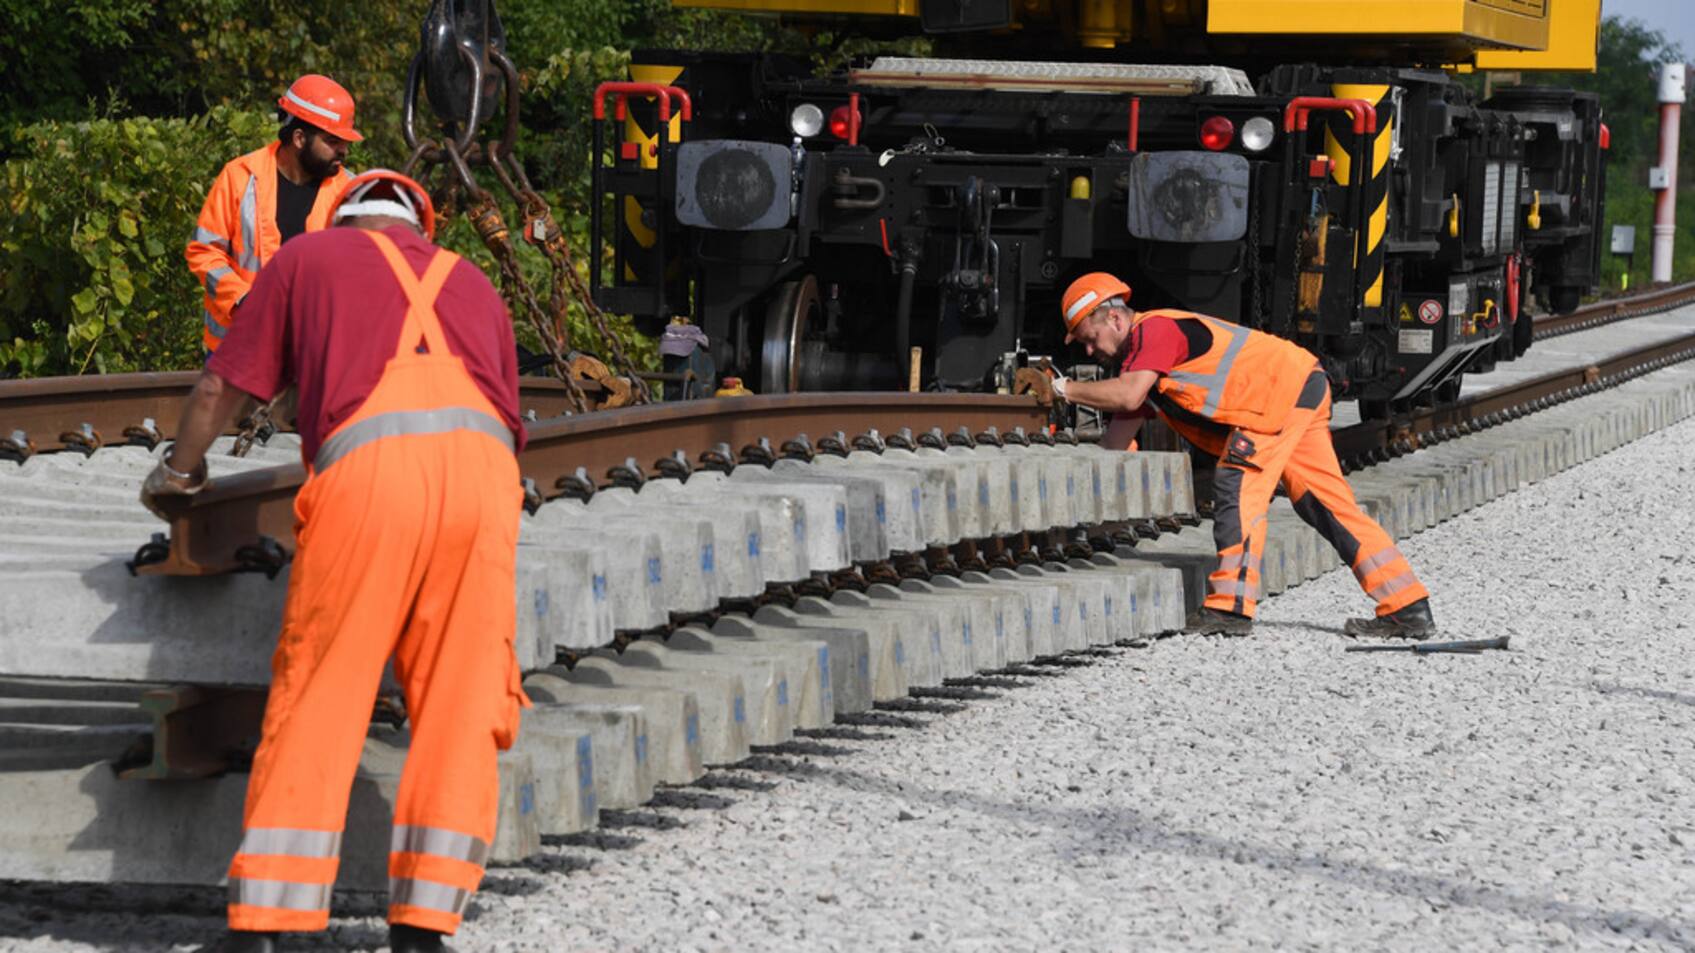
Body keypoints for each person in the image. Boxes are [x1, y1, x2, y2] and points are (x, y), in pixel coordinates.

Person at [142, 170, 529, 953]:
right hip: (486, 485)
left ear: (344, 220)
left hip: (371, 479)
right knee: (461, 698)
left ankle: (270, 923)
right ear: (418, 228)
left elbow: (222, 387)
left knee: (323, 688)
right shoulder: (472, 280)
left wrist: (177, 473)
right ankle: (423, 928)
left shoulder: (306, 258)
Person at [1049, 272, 1436, 639]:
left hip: (1274, 399)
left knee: (1237, 486)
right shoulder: (1141, 363)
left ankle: (1229, 607)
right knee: (1327, 505)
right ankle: (1407, 606)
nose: (1090, 350)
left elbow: (1126, 395)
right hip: (1299, 387)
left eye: (1090, 338)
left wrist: (1065, 389)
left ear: (1114, 318)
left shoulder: (1155, 331)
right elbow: (1116, 441)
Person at [186, 74, 361, 354]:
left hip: (312, 353)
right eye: (333, 141)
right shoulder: (240, 177)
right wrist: (242, 300)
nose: (344, 150)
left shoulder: (352, 193)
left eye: (344, 142)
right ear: (299, 138)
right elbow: (204, 252)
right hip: (238, 350)